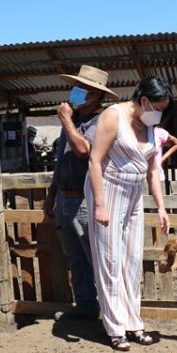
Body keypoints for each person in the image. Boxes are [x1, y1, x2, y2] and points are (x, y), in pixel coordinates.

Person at [85, 76, 172, 351]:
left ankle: (133, 321)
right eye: (158, 106)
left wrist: (160, 206)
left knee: (132, 259)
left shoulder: (149, 124)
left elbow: (153, 170)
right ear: (144, 100)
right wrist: (99, 203)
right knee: (110, 258)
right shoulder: (113, 116)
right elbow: (94, 160)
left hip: (134, 194)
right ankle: (114, 327)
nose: (160, 113)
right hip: (109, 188)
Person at [43, 65, 119, 321]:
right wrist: (51, 195)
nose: (74, 93)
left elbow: (83, 150)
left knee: (97, 259)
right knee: (76, 259)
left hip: (85, 201)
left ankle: (110, 313)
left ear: (96, 95)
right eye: (75, 87)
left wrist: (64, 120)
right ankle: (87, 307)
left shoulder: (100, 121)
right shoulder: (75, 121)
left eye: (81, 88)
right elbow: (61, 161)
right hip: (65, 199)